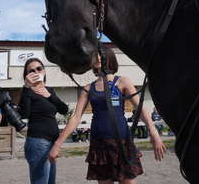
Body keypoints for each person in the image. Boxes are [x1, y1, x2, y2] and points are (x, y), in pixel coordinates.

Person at [48, 47, 166, 184]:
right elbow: (75, 117)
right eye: (95, 55)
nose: (98, 57)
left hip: (122, 143)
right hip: (99, 145)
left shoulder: (122, 82)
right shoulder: (88, 88)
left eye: (101, 54)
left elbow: (140, 108)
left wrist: (153, 132)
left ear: (110, 58)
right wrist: (58, 144)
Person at [19, 58, 69, 184]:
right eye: (31, 71)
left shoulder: (50, 90)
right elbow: (23, 113)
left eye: (39, 68)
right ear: (27, 76)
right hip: (38, 143)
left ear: (44, 71)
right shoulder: (28, 92)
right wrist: (26, 87)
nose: (36, 72)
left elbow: (64, 109)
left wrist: (49, 96)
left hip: (52, 143)